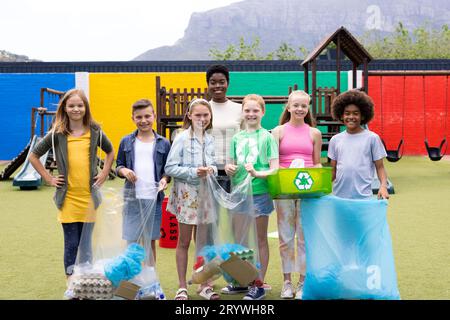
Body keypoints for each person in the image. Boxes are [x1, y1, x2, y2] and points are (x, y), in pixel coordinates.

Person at [28, 88, 114, 299]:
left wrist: (104, 173)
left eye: (80, 105)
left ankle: (86, 284)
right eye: (71, 105)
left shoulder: (95, 132)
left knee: (86, 245)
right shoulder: (57, 133)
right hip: (68, 199)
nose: (76, 109)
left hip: (89, 198)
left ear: (86, 108)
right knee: (71, 244)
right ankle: (71, 284)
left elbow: (110, 151)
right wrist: (48, 178)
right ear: (65, 109)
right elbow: (34, 156)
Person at [225, 94, 279, 300]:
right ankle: (242, 281)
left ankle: (258, 284)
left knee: (259, 240)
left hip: (259, 194)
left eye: (255, 110)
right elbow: (230, 164)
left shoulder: (267, 137)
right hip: (239, 194)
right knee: (240, 239)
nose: (251, 114)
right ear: (242, 113)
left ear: (263, 112)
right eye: (247, 110)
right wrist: (228, 168)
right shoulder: (237, 137)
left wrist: (258, 174)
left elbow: (274, 169)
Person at [164, 98, 219, 301]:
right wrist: (193, 172)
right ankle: (181, 287)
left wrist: (211, 169)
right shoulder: (181, 137)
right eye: (198, 115)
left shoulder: (211, 138)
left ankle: (204, 285)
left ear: (210, 116)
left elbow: (213, 163)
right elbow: (169, 168)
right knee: (184, 241)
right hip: (187, 196)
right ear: (189, 115)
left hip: (206, 196)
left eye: (206, 115)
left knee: (204, 243)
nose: (202, 119)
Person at [271, 90, 322, 299]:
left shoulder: (314, 133)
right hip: (283, 190)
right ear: (289, 107)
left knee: (303, 237)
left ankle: (302, 282)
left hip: (307, 191)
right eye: (296, 105)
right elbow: (273, 163)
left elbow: (317, 161)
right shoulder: (277, 132)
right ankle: (286, 282)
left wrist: (318, 176)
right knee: (285, 237)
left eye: (304, 106)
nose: (300, 109)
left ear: (308, 108)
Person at [115, 99, 171, 263]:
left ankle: (150, 280)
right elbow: (118, 166)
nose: (143, 120)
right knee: (132, 241)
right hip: (132, 198)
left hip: (154, 199)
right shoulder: (126, 141)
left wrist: (164, 179)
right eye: (139, 117)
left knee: (149, 242)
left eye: (147, 116)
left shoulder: (164, 142)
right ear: (133, 118)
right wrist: (124, 171)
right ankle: (131, 279)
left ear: (154, 116)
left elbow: (167, 171)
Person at [328, 89, 390, 200]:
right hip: (339, 197)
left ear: (363, 116)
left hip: (364, 197)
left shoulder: (372, 138)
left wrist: (383, 186)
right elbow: (333, 171)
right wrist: (322, 188)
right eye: (347, 113)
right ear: (341, 116)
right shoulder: (335, 140)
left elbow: (380, 167)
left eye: (355, 113)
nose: (351, 116)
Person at [206, 64, 242, 192]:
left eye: (222, 82)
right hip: (210, 171)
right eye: (213, 82)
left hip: (235, 170)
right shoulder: (204, 110)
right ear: (208, 84)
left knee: (236, 211)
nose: (217, 86)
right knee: (211, 212)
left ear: (228, 83)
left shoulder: (239, 109)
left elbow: (245, 138)